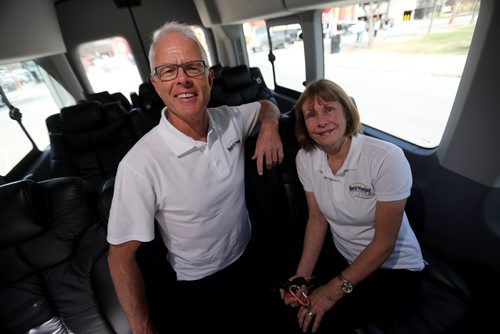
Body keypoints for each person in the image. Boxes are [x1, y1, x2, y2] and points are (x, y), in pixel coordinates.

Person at [107, 21, 284, 334]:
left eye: (192, 67)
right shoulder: (138, 165)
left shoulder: (229, 118)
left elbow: (267, 106)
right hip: (199, 286)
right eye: (169, 71)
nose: (183, 80)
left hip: (250, 256)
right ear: (156, 84)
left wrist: (269, 126)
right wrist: (142, 327)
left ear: (209, 76)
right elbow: (120, 259)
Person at [280, 79, 425, 333]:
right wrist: (301, 277)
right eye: (311, 115)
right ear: (305, 125)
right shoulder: (306, 158)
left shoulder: (385, 157)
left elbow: (384, 244)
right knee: (296, 309)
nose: (321, 121)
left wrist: (332, 291)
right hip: (346, 258)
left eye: (328, 109)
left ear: (347, 113)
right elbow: (317, 219)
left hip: (393, 268)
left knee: (322, 322)